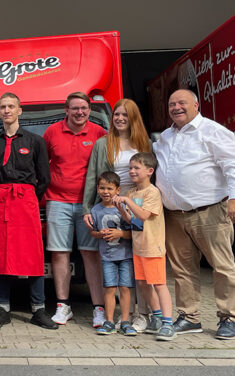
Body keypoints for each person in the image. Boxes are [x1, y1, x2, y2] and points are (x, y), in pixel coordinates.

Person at [153, 89, 235, 340]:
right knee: (182, 269)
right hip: (175, 215)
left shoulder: (212, 130)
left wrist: (234, 198)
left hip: (209, 211)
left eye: (182, 103)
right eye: (171, 104)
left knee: (222, 267)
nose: (176, 107)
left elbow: (232, 163)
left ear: (196, 105)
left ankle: (229, 317)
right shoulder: (166, 136)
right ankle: (190, 317)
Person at [0, 92, 57, 330]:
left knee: (33, 255)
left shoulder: (35, 142)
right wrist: (3, 195)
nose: (6, 110)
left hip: (26, 203)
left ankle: (38, 309)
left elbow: (44, 178)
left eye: (11, 106)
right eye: (3, 107)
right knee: (1, 254)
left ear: (19, 110)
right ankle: (2, 309)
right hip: (1, 201)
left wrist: (28, 199)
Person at [83, 98, 152, 332]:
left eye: (125, 115)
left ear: (133, 118)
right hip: (110, 204)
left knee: (140, 260)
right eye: (116, 115)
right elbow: (93, 177)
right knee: (115, 256)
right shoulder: (103, 143)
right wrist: (87, 209)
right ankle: (116, 316)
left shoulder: (144, 142)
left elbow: (152, 175)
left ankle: (141, 314)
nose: (120, 118)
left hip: (137, 202)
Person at [43, 91, 107, 327]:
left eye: (84, 108)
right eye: (75, 108)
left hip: (89, 204)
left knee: (91, 254)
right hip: (58, 201)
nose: (80, 112)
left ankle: (98, 308)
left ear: (89, 110)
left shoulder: (99, 133)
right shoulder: (52, 132)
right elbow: (43, 163)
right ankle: (63, 306)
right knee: (59, 252)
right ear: (66, 110)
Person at [113, 152, 175, 341]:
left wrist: (127, 201)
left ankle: (168, 323)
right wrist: (120, 207)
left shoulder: (152, 192)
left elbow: (144, 216)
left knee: (159, 284)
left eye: (136, 168)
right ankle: (156, 316)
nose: (131, 171)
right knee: (142, 283)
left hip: (152, 247)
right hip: (138, 247)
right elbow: (132, 220)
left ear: (149, 171)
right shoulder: (132, 192)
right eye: (130, 168)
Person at [90, 172, 135, 336]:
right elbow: (93, 233)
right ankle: (108, 321)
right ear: (97, 189)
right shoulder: (95, 210)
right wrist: (99, 233)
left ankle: (125, 321)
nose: (105, 191)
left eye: (109, 188)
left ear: (118, 190)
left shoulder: (123, 208)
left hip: (125, 256)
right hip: (107, 257)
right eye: (102, 188)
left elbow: (133, 233)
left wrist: (120, 234)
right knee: (109, 288)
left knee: (125, 288)